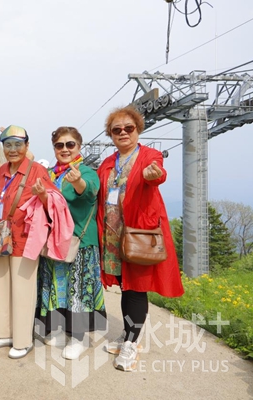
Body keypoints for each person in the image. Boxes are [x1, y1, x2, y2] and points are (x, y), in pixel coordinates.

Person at [96, 106, 184, 372]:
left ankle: (131, 344)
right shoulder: (107, 163)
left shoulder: (149, 156)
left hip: (138, 233)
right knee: (126, 286)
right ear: (111, 134)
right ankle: (128, 334)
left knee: (136, 288)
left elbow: (157, 173)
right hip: (113, 235)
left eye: (128, 128)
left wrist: (154, 176)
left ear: (138, 129)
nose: (123, 132)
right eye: (117, 129)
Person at [0, 125, 62, 360]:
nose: (13, 149)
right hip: (0, 236)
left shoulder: (37, 170)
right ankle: (3, 333)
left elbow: (56, 202)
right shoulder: (3, 170)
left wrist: (43, 195)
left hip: (25, 237)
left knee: (22, 289)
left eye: (18, 145)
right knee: (0, 284)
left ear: (27, 146)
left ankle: (22, 340)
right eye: (8, 145)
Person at [36, 127, 106, 360]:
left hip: (79, 241)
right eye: (59, 145)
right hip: (54, 240)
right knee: (57, 288)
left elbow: (89, 192)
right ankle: (57, 328)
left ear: (79, 146)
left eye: (70, 144)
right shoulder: (50, 174)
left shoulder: (85, 171)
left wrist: (78, 183)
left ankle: (78, 337)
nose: (65, 149)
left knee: (78, 290)